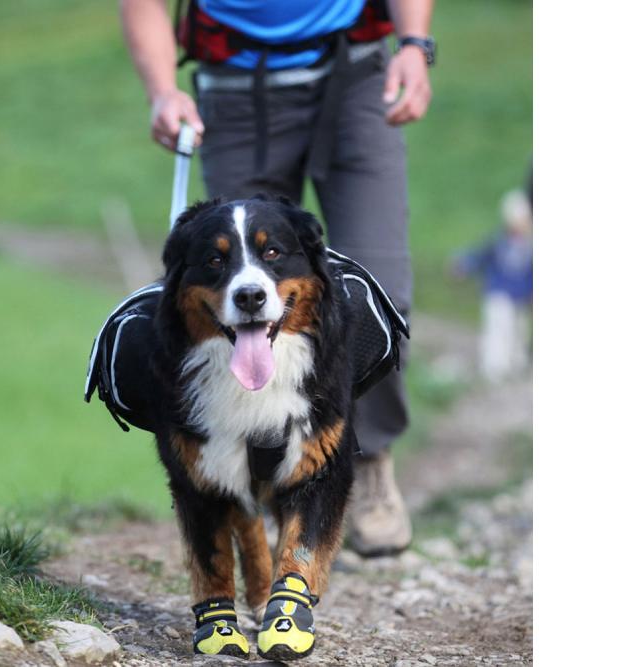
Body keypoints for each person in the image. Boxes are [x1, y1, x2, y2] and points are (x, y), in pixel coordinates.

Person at [119, 0, 434, 559]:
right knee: (241, 302)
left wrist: (414, 43)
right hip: (238, 87)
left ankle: (368, 460)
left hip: (359, 75)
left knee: (383, 293)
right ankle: (256, 477)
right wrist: (163, 88)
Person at [452, 188, 533, 382]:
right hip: (498, 294)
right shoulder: (499, 242)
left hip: (520, 297)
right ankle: (495, 367)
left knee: (519, 330)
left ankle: (516, 364)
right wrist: (464, 264)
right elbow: (480, 256)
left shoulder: (530, 247)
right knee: (499, 329)